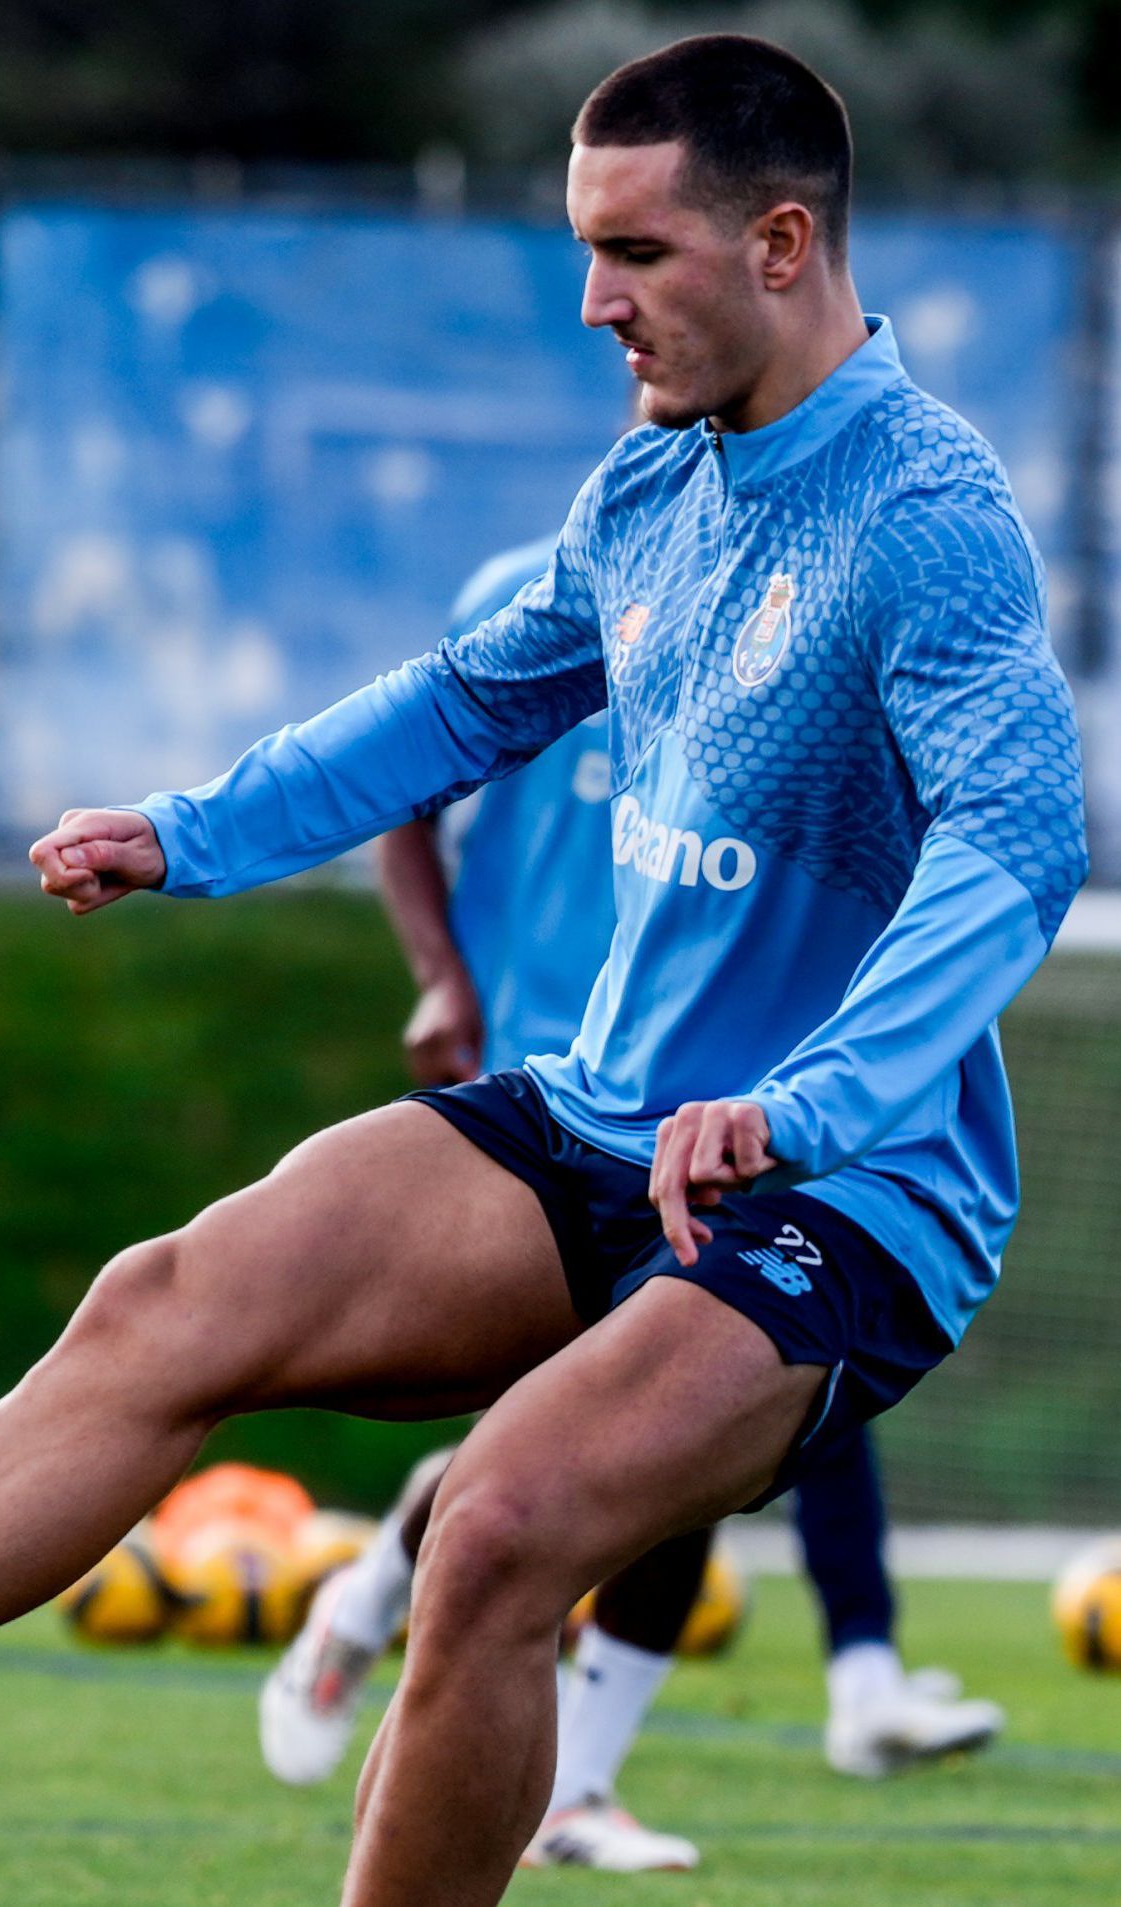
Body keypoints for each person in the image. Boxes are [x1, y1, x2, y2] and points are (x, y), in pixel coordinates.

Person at [0, 36, 1084, 1907]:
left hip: (847, 1187)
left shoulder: (922, 511)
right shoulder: (653, 490)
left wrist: (804, 1103)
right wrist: (189, 831)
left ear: (783, 244)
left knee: (500, 1525)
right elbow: (459, 703)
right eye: (582, 251)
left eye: (637, 254)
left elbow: (1020, 846)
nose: (596, 303)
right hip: (610, 1115)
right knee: (170, 1297)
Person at [257, 518, 1002, 1868]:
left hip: (705, 1100)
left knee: (650, 1455)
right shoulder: (530, 593)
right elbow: (404, 790)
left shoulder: (815, 610)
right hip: (545, 1090)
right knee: (530, 1470)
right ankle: (376, 1594)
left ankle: (576, 1775)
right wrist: (440, 970)